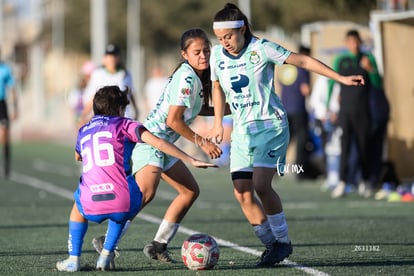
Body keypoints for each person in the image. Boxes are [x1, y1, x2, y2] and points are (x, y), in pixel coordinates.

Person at [208, 3, 365, 267]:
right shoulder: (216, 55)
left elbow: (302, 60)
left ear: (242, 30)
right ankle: (274, 246)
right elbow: (215, 86)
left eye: (229, 37)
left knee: (260, 184)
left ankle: (282, 240)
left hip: (271, 126)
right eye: (220, 38)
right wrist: (216, 124)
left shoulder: (262, 48)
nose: (225, 43)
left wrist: (340, 78)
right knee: (241, 192)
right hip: (242, 132)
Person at [92, 28, 223, 263]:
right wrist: (202, 142)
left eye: (206, 50)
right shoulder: (186, 77)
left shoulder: (195, 76)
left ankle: (158, 245)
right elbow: (174, 120)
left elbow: (193, 108)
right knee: (145, 194)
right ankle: (107, 240)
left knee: (189, 191)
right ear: (184, 54)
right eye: (197, 52)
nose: (203, 55)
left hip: (165, 143)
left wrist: (229, 109)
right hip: (150, 141)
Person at [56, 85, 216, 272]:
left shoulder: (83, 130)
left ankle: (73, 258)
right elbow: (158, 142)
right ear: (120, 109)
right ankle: (106, 255)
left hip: (91, 202)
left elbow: (78, 156)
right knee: (124, 202)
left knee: (77, 208)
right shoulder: (125, 124)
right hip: (120, 202)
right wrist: (190, 159)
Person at [329, 29, 382, 199]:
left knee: (363, 145)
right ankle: (343, 182)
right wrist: (329, 107)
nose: (354, 45)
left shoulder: (368, 58)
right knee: (344, 147)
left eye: (356, 41)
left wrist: (371, 69)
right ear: (346, 43)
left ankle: (365, 181)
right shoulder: (340, 60)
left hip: (363, 111)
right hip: (345, 111)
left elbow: (378, 83)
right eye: (350, 42)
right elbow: (332, 83)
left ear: (360, 42)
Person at [81, 44, 139, 124]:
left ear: (118, 58)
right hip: (103, 118)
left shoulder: (125, 74)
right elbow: (93, 97)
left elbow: (130, 93)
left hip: (123, 117)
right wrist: (84, 115)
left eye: (114, 56)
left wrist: (136, 110)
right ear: (104, 58)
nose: (112, 59)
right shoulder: (98, 74)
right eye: (109, 56)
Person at [278, 45, 312, 179]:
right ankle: (300, 171)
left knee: (285, 141)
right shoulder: (302, 69)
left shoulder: (285, 68)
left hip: (285, 108)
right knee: (301, 140)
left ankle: (273, 167)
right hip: (298, 109)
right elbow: (306, 90)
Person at [0, 48, 18, 178]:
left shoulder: (5, 69)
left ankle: (7, 168)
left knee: (5, 135)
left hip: (2, 104)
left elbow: (12, 88)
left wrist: (16, 108)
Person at [68, 60, 95, 127]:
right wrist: (79, 118)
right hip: (81, 119)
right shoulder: (78, 90)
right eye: (86, 75)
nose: (87, 78)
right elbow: (72, 106)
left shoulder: (95, 88)